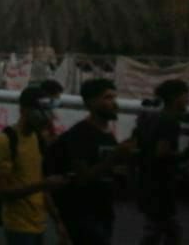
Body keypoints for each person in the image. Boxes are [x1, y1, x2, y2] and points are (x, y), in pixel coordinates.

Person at [46, 78, 135, 245]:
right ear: (91, 102)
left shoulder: (108, 135)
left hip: (103, 210)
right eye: (108, 98)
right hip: (82, 213)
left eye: (114, 98)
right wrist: (114, 157)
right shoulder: (79, 135)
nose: (114, 104)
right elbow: (83, 177)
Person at [0, 87, 72, 245]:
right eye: (40, 111)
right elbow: (3, 192)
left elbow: (40, 182)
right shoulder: (6, 141)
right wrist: (43, 184)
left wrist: (58, 221)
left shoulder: (37, 138)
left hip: (38, 222)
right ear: (24, 110)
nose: (46, 117)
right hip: (18, 225)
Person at [137, 79, 189, 245]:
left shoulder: (155, 118)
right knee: (162, 230)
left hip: (149, 180)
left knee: (162, 228)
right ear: (176, 98)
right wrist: (185, 155)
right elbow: (162, 152)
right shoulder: (169, 122)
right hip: (161, 183)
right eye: (185, 96)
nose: (187, 100)